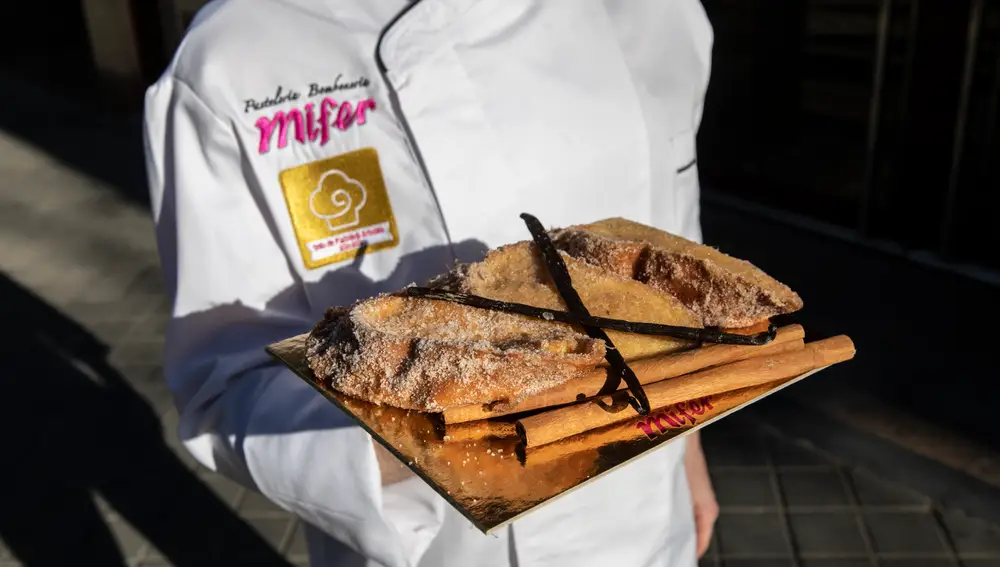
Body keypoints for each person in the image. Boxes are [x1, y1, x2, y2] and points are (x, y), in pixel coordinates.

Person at [143, 0, 719, 565]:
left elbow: (669, 251)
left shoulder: (652, 11)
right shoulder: (235, 58)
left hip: (646, 520)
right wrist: (424, 438)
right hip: (439, 546)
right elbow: (227, 378)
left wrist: (689, 447)